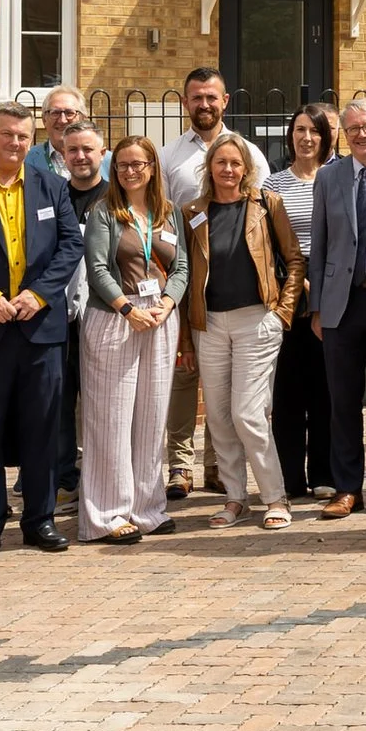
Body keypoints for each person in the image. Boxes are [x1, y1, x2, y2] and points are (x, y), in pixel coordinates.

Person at [0, 104, 84, 559]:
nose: (16, 144)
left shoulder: (52, 186)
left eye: (23, 137)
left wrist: (37, 296)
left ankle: (40, 519)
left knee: (42, 428)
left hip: (39, 329)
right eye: (7, 135)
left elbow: (70, 245)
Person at [182, 131, 307, 528]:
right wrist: (189, 332)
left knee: (248, 414)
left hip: (257, 319)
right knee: (218, 416)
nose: (229, 170)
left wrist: (282, 313)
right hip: (211, 324)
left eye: (236, 163)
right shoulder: (193, 212)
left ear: (247, 169)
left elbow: (294, 260)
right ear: (210, 168)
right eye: (221, 163)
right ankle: (235, 498)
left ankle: (275, 497)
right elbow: (186, 275)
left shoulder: (267, 205)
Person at [157, 68, 264, 499]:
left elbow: (261, 210)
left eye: (212, 98)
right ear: (186, 103)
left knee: (228, 383)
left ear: (226, 102)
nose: (204, 105)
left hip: (237, 285)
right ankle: (179, 467)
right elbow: (161, 219)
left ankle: (219, 465)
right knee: (184, 376)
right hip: (185, 278)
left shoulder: (249, 152)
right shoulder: (168, 157)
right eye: (196, 98)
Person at [79, 136, 190, 542]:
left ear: (152, 167)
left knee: (150, 419)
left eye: (138, 164)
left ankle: (147, 508)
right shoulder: (104, 212)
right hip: (115, 322)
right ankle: (108, 515)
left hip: (159, 321)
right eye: (122, 164)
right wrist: (128, 308)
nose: (129, 171)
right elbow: (96, 269)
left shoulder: (169, 213)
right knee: (111, 419)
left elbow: (181, 268)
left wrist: (167, 303)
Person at [308, 96, 366, 519]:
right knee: (342, 401)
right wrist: (317, 309)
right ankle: (346, 488)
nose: (362, 134)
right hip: (342, 303)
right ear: (344, 133)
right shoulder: (330, 177)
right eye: (354, 128)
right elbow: (319, 245)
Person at [267, 104, 337, 503]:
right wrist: (298, 278)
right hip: (288, 290)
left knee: (325, 388)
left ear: (326, 136)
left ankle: (324, 472)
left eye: (314, 130)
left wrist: (321, 282)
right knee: (288, 390)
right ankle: (291, 477)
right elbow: (270, 243)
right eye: (299, 130)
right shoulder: (274, 185)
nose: (306, 137)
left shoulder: (337, 177)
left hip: (330, 288)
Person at [52, 118, 113, 504]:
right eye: (72, 150)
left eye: (88, 149)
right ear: (62, 154)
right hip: (59, 316)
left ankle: (102, 479)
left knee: (103, 402)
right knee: (60, 401)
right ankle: (64, 480)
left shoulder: (116, 198)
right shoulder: (51, 196)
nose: (80, 156)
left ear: (102, 153)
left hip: (107, 314)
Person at [26, 85, 106, 191]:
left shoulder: (109, 161)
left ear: (83, 119)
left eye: (69, 113)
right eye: (55, 113)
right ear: (44, 120)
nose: (62, 120)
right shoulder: (27, 160)